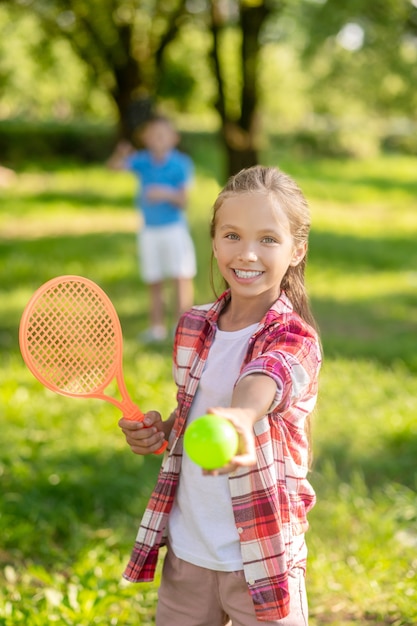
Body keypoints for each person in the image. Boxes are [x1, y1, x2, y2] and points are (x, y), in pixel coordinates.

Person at [118, 165, 322, 625]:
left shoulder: (295, 338)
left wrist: (239, 418)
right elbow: (192, 409)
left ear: (297, 250)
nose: (247, 253)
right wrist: (164, 430)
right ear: (213, 240)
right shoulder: (193, 325)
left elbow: (265, 379)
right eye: (232, 235)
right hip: (189, 551)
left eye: (268, 239)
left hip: (263, 559)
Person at [108, 114, 197, 342]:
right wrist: (121, 152)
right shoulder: (142, 160)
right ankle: (156, 328)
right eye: (152, 135)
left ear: (173, 138)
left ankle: (181, 326)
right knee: (154, 279)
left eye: (162, 135)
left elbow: (184, 200)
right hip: (149, 231)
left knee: (180, 277)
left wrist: (164, 193)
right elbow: (114, 168)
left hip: (174, 229)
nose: (157, 139)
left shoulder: (181, 163)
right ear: (146, 139)